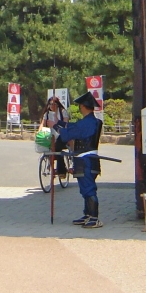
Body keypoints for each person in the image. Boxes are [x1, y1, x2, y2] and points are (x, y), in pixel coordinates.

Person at [54, 92, 105, 228]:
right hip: (88, 159)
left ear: (83, 106)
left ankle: (94, 217)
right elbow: (73, 127)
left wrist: (56, 126)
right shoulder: (91, 122)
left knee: (88, 188)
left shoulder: (87, 123)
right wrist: (59, 122)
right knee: (85, 188)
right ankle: (88, 215)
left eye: (80, 106)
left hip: (85, 159)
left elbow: (69, 134)